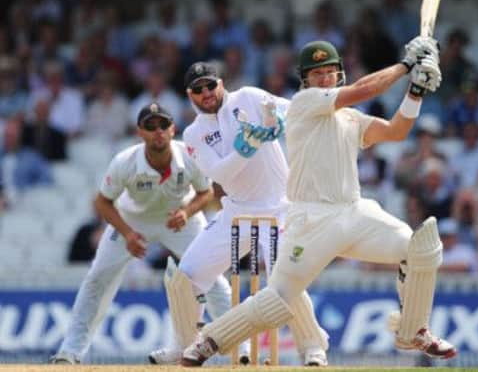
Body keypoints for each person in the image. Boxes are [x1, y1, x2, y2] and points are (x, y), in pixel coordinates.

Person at [181, 36, 457, 367]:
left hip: (354, 213)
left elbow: (395, 132)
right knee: (277, 300)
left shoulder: (350, 119)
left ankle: (413, 330)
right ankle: (210, 340)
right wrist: (406, 66)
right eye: (317, 73)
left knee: (420, 250)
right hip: (309, 220)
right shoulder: (304, 103)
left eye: (330, 71)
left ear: (339, 73)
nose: (324, 78)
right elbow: (364, 90)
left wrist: (416, 93)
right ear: (306, 80)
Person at [153, 62, 330, 366]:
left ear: (221, 83)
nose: (206, 93)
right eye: (199, 89)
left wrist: (282, 121)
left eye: (211, 85)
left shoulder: (248, 97)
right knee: (187, 275)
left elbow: (296, 108)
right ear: (189, 94)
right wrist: (247, 146)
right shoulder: (194, 133)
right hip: (235, 212)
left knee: (285, 280)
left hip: (279, 209)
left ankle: (313, 345)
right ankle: (183, 344)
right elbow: (220, 173)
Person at [50, 103, 231, 364]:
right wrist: (127, 234)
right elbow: (101, 202)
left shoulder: (189, 155)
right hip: (132, 221)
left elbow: (206, 192)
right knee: (98, 279)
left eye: (163, 126)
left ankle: (241, 348)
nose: (157, 132)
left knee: (213, 278)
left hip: (179, 219)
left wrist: (187, 213)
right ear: (140, 132)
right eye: (150, 126)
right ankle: (70, 352)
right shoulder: (125, 162)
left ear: (172, 129)